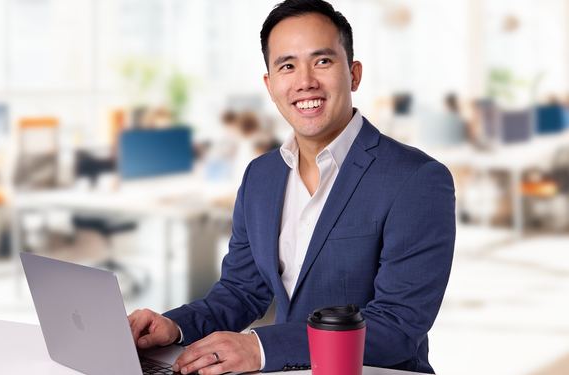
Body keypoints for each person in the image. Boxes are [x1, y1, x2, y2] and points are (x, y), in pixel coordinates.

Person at [128, 1, 455, 374]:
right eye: (287, 66)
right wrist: (175, 326)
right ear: (270, 85)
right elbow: (240, 291)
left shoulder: (417, 178)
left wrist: (259, 348)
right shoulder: (261, 176)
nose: (304, 82)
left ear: (354, 74)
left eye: (322, 61)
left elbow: (397, 325)